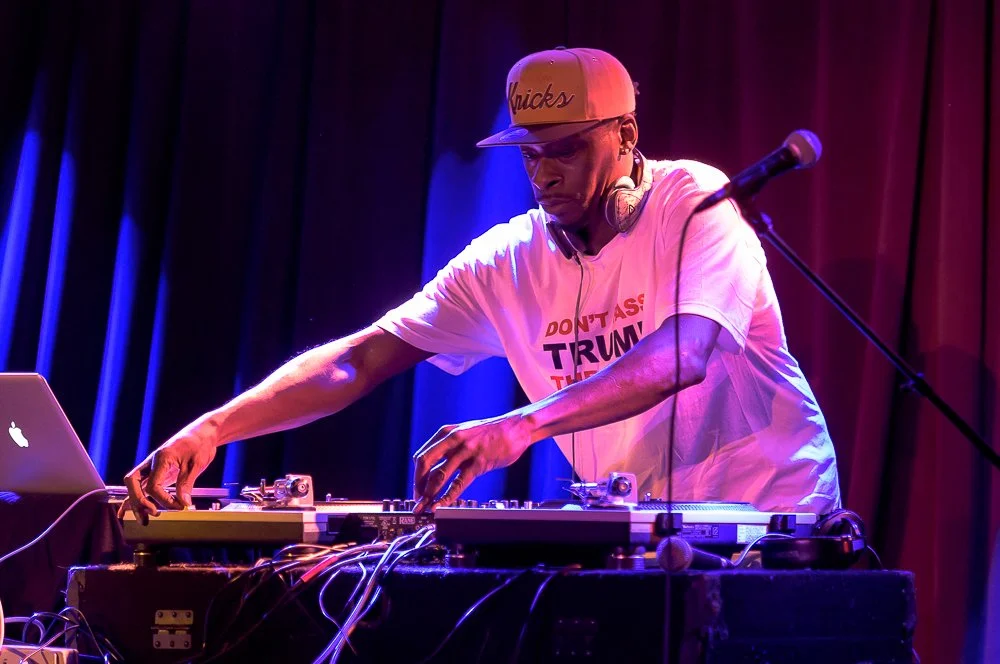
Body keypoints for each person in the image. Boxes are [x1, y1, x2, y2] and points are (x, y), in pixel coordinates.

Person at [120, 47, 840, 523]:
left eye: (566, 148)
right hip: (645, 534)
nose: (543, 171)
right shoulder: (508, 260)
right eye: (530, 152)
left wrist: (520, 426)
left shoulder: (695, 203)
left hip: (773, 522)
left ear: (625, 135)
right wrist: (216, 426)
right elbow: (360, 359)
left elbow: (680, 356)